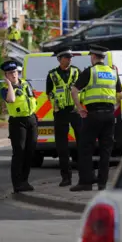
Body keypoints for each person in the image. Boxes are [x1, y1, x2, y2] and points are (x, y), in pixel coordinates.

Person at [69, 45, 122, 192]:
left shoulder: (90, 71)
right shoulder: (113, 72)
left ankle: (86, 183)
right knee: (106, 151)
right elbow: (121, 95)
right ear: (103, 58)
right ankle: (102, 184)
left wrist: (80, 108)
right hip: (109, 116)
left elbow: (74, 90)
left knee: (85, 148)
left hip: (93, 115)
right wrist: (114, 107)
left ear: (93, 56)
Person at [46, 47, 82, 187]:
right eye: (67, 57)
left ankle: (84, 175)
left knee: (82, 143)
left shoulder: (76, 71)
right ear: (60, 59)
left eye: (70, 57)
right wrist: (54, 103)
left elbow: (82, 89)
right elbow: (49, 92)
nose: (70, 59)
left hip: (75, 112)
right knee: (62, 147)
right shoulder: (52, 75)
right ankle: (65, 177)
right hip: (60, 113)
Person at [0, 60, 38, 193]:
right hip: (18, 123)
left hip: (31, 119)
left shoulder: (26, 84)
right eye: (10, 73)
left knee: (30, 151)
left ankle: (25, 181)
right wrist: (9, 84)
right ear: (6, 75)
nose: (14, 75)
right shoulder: (5, 90)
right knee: (19, 153)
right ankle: (17, 184)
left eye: (15, 72)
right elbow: (11, 99)